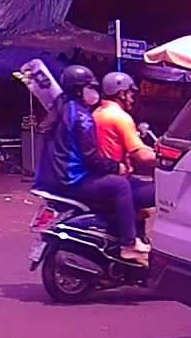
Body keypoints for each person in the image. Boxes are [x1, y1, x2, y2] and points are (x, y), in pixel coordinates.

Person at [35, 65, 149, 265]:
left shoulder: (61, 108)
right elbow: (92, 158)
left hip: (53, 178)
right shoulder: (81, 117)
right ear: (79, 90)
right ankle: (129, 244)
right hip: (73, 179)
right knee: (120, 185)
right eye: (90, 87)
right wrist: (115, 167)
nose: (94, 92)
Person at [95, 71, 156, 237]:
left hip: (102, 176)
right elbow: (142, 156)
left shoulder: (97, 113)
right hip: (117, 180)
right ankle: (131, 240)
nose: (132, 99)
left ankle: (135, 223)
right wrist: (170, 158)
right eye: (130, 94)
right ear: (121, 94)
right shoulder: (120, 118)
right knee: (161, 191)